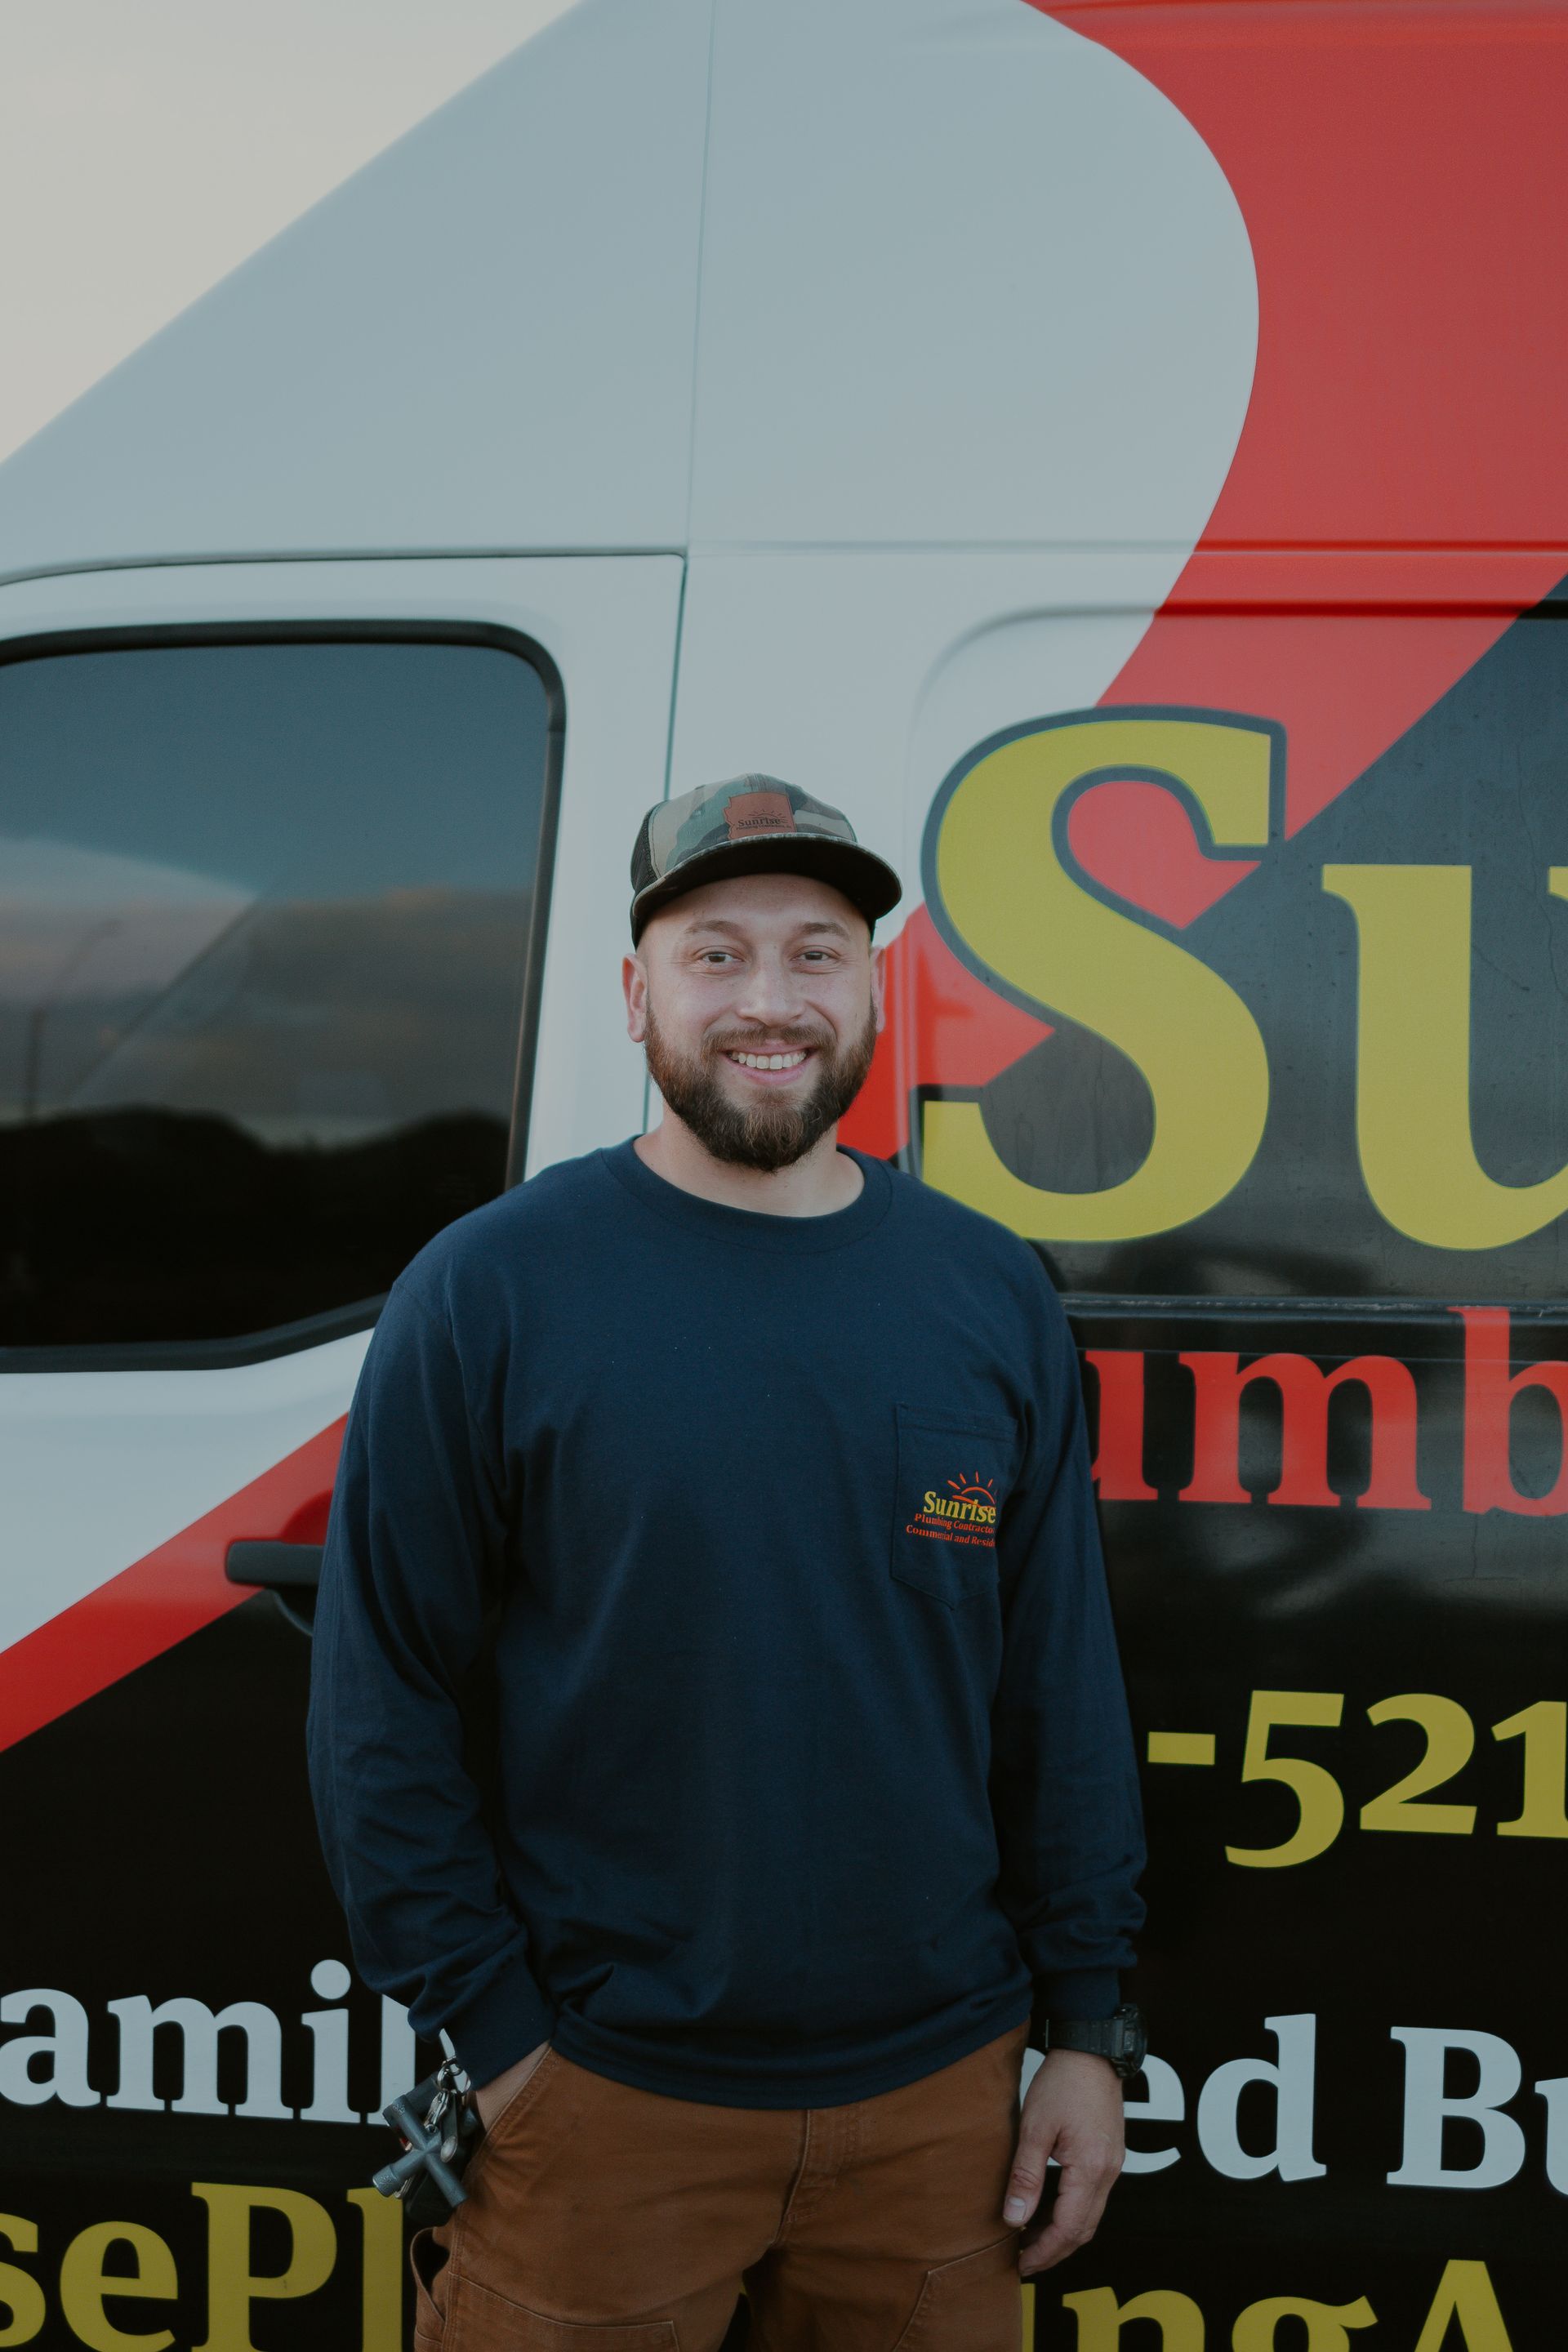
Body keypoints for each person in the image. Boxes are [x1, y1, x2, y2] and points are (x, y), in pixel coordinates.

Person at [307, 774, 1147, 2351]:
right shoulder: (491, 1293)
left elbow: (1061, 1686)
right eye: (716, 954)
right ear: (637, 995)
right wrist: (501, 2045)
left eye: (818, 953)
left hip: (939, 2117)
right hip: (604, 2112)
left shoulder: (986, 1294)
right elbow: (380, 1702)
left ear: (872, 987)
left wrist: (1088, 2030)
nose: (772, 1002)